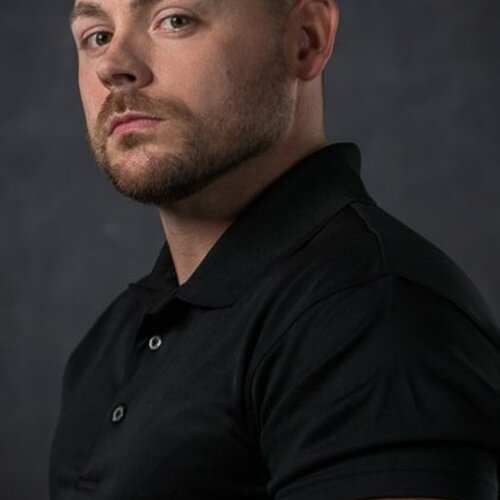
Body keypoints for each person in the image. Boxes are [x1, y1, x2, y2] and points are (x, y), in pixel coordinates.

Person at [50, 0, 500, 499]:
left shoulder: (373, 313)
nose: (113, 64)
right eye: (97, 35)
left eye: (175, 19)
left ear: (305, 40)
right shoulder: (112, 340)